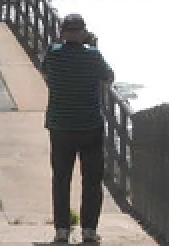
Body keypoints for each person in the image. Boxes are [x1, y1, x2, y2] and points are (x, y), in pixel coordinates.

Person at [42, 13, 115, 244]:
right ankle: (89, 230)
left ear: (62, 33)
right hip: (90, 126)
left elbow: (46, 72)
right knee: (92, 180)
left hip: (60, 126)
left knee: (61, 179)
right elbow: (109, 76)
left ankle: (62, 230)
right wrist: (91, 47)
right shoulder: (92, 56)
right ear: (83, 32)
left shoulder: (53, 55)